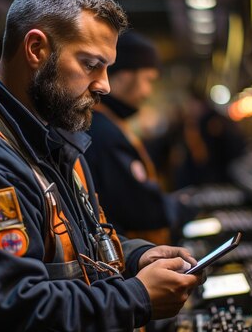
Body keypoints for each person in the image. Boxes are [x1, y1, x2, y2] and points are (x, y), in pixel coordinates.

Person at [0, 0, 201, 331]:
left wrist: (133, 257)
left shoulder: (51, 141)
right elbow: (12, 314)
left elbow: (74, 247)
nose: (104, 85)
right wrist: (136, 298)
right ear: (36, 49)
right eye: (91, 64)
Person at [85, 31, 198, 245]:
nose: (148, 92)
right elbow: (141, 209)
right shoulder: (103, 132)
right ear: (124, 76)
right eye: (148, 80)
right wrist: (182, 205)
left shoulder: (106, 123)